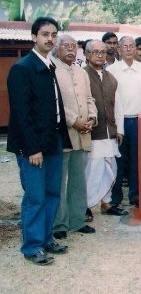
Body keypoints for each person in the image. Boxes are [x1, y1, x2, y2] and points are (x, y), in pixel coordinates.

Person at [7, 17, 71, 265]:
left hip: (53, 139)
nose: (50, 39)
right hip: (32, 145)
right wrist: (32, 148)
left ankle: (45, 239)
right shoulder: (22, 68)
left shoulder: (50, 66)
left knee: (53, 193)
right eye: (45, 34)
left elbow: (56, 108)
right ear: (34, 37)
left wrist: (61, 138)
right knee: (35, 196)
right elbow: (21, 114)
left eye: (54, 35)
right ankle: (32, 247)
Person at [52, 35, 98, 240]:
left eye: (74, 47)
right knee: (59, 181)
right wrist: (73, 121)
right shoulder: (51, 69)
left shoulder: (81, 72)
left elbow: (89, 98)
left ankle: (77, 221)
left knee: (79, 179)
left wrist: (91, 118)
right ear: (57, 49)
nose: (71, 50)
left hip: (83, 133)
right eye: (66, 46)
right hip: (63, 133)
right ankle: (59, 224)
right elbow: (56, 102)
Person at [107, 36, 141, 208]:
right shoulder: (111, 70)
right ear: (118, 49)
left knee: (137, 160)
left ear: (135, 49)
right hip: (119, 122)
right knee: (118, 161)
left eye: (132, 46)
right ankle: (115, 198)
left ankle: (136, 196)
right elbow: (110, 100)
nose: (128, 49)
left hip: (140, 120)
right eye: (125, 46)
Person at [83, 40, 128, 218]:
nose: (100, 55)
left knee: (111, 168)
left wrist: (120, 129)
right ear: (87, 55)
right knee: (92, 170)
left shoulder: (110, 78)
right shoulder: (82, 75)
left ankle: (106, 203)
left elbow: (118, 106)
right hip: (92, 133)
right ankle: (85, 205)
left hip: (110, 132)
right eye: (95, 52)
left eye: (103, 52)